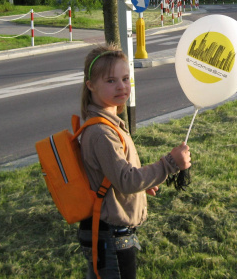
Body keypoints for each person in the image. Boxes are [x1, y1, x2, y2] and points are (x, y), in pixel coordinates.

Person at [77, 44, 191, 279]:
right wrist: (169, 163)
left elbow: (116, 175)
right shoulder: (101, 132)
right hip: (110, 237)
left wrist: (144, 182)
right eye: (110, 81)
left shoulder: (108, 123)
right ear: (91, 86)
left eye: (125, 78)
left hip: (111, 234)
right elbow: (126, 180)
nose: (121, 86)